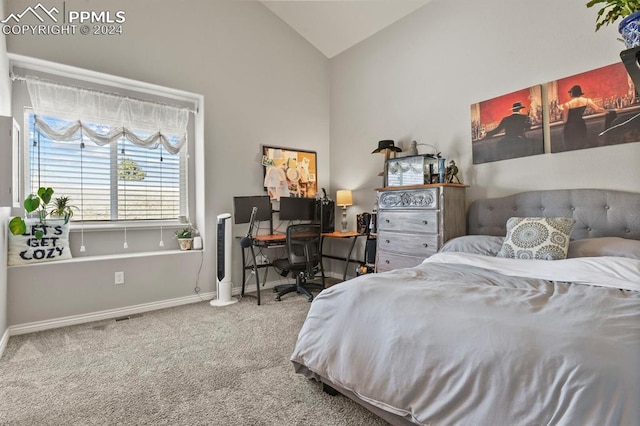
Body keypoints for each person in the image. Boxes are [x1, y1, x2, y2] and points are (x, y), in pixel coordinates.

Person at [561, 85, 607, 149]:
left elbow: (565, 120)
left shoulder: (567, 105)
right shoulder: (587, 100)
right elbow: (598, 109)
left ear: (572, 93)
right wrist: (607, 111)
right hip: (580, 125)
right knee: (581, 146)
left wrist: (562, 111)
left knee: (570, 148)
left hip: (570, 128)